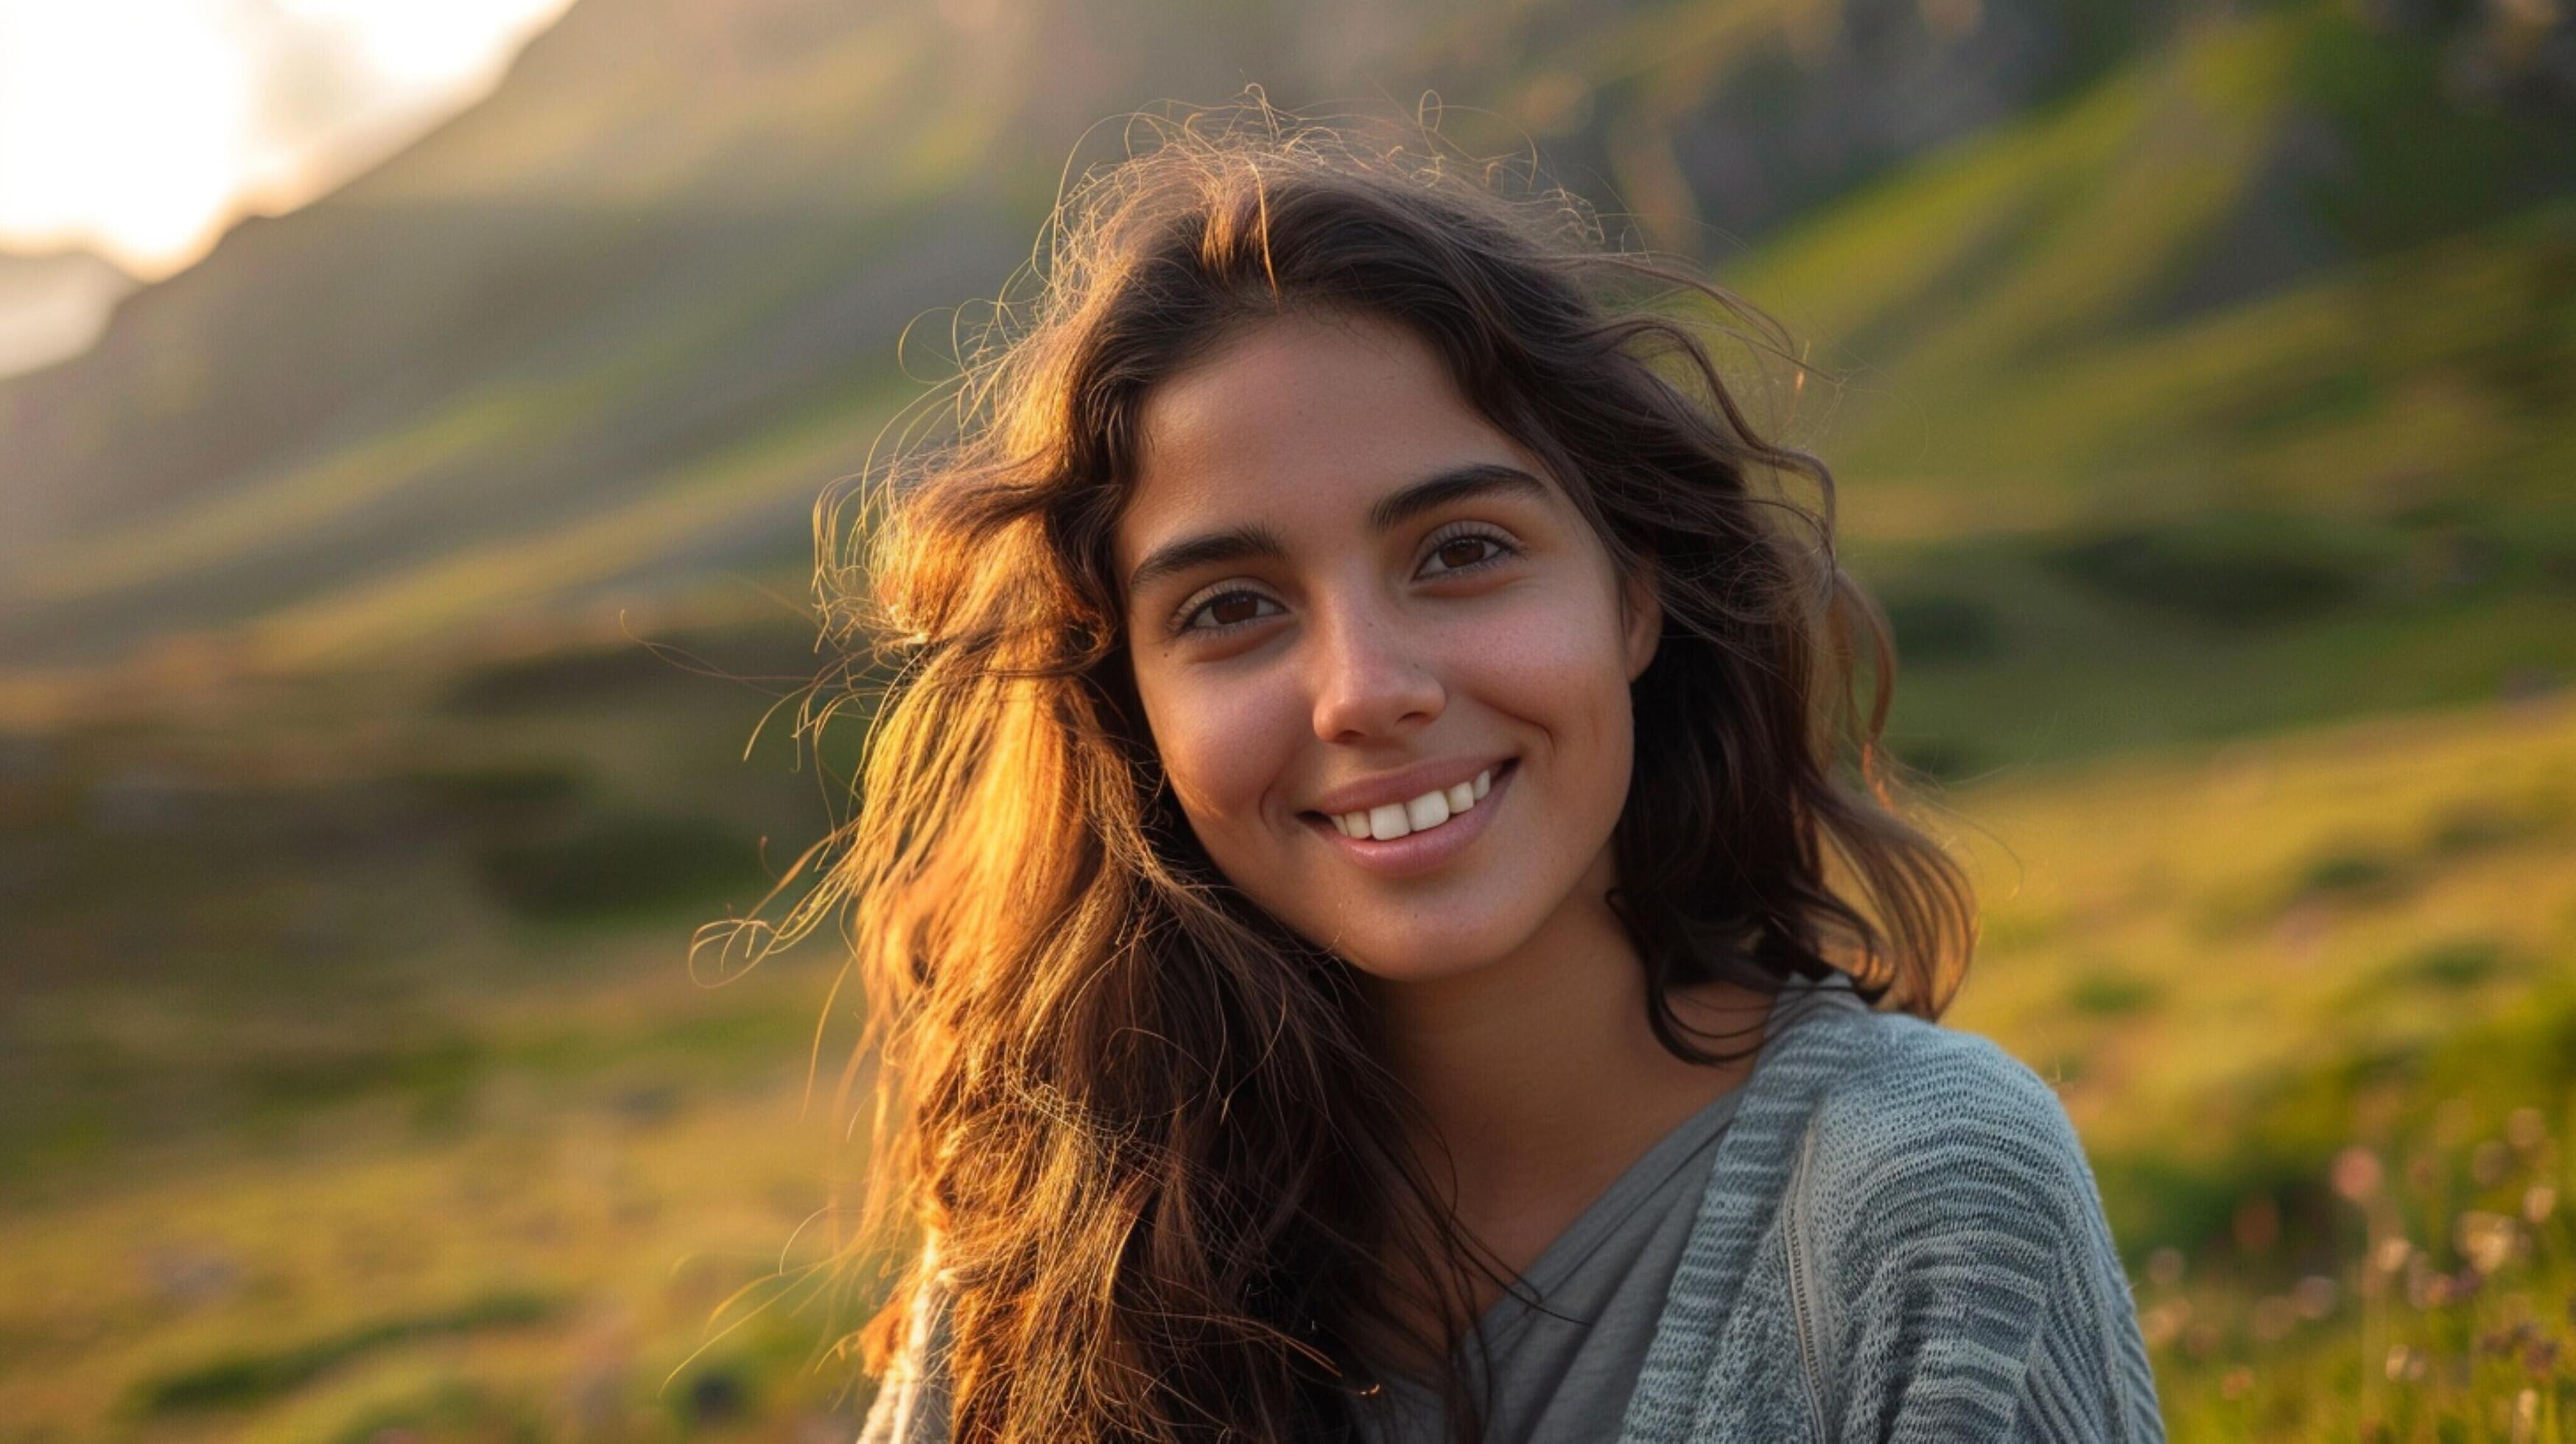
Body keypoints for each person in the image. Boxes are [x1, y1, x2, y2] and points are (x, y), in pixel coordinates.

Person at [798, 102, 2163, 1442]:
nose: (1368, 690)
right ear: (1132, 713)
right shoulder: (1047, 1228)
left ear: (1634, 595)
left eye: (1459, 552)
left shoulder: (1915, 1197)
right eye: (1228, 608)